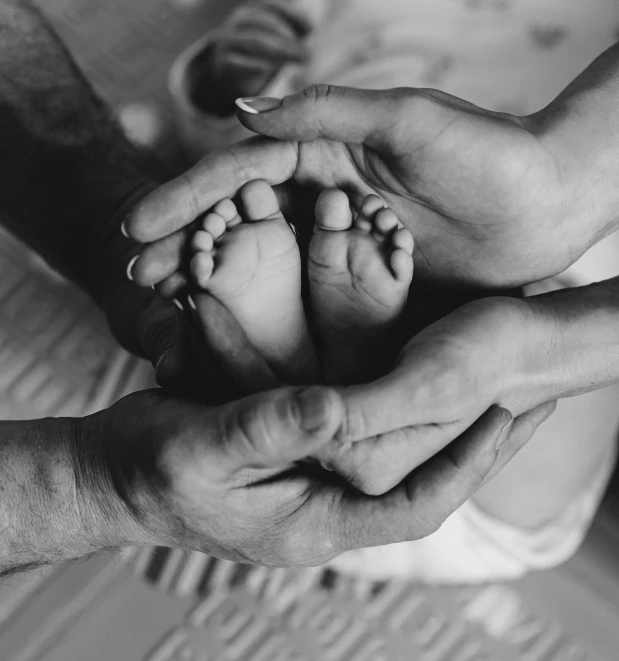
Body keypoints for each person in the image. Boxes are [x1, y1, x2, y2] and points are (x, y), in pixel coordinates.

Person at [0, 0, 544, 578]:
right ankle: (343, 345)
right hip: (420, 224)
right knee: (531, 330)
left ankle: (306, 349)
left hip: (464, 239)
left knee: (540, 322)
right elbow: (269, 57)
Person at [126, 0, 619, 580]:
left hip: (564, 309)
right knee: (520, 321)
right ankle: (346, 339)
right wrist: (236, 73)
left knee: (552, 345)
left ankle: (319, 345)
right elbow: (268, 52)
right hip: (368, 193)